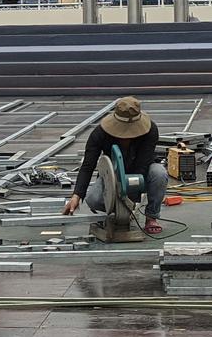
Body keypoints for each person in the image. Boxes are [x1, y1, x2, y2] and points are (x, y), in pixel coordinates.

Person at [61, 96, 167, 235]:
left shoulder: (150, 130)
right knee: (93, 199)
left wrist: (128, 200)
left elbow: (142, 164)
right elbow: (88, 165)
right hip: (111, 175)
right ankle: (116, 212)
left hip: (142, 172)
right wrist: (76, 196)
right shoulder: (99, 134)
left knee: (159, 174)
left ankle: (151, 216)